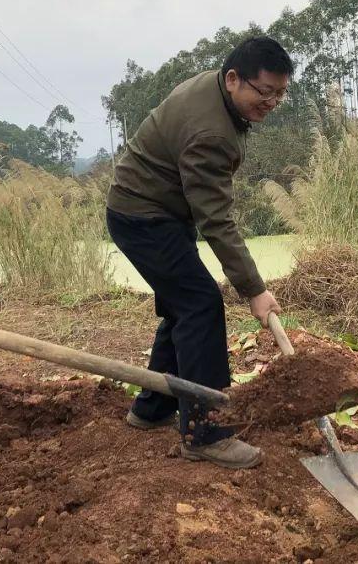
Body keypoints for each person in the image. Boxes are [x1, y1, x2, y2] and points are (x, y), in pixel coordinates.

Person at [106, 35, 294, 469]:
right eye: (263, 91)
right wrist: (254, 288)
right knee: (200, 304)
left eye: (279, 94)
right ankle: (206, 433)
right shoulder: (211, 132)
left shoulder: (214, 92)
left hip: (152, 212)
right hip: (143, 218)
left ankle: (152, 408)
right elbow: (216, 220)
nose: (270, 102)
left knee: (182, 304)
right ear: (233, 79)